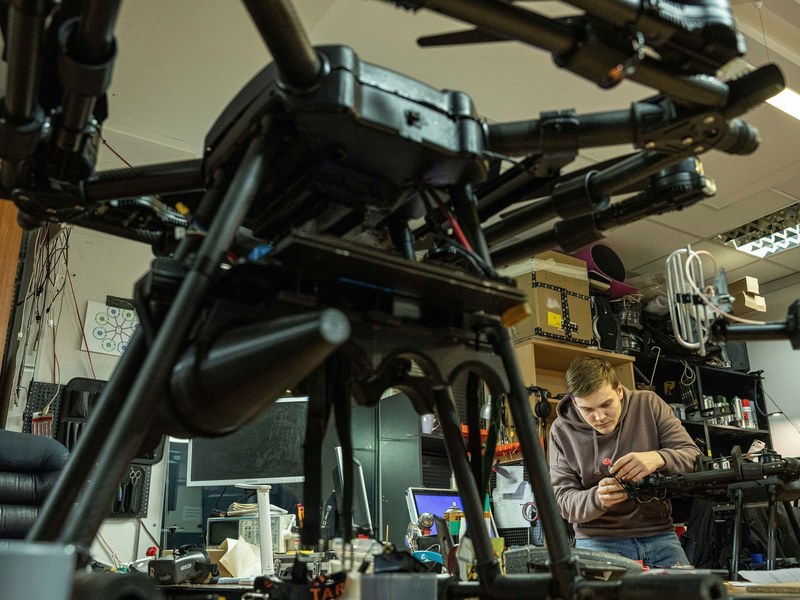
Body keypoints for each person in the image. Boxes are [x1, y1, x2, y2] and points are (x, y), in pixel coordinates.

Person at [548, 356, 700, 566]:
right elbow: (563, 501)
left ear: (619, 390)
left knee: (692, 586)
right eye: (588, 410)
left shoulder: (649, 404)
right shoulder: (561, 431)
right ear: (575, 403)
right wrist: (598, 499)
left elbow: (693, 458)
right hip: (598, 540)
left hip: (659, 534)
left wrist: (659, 458)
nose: (600, 417)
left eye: (606, 404)